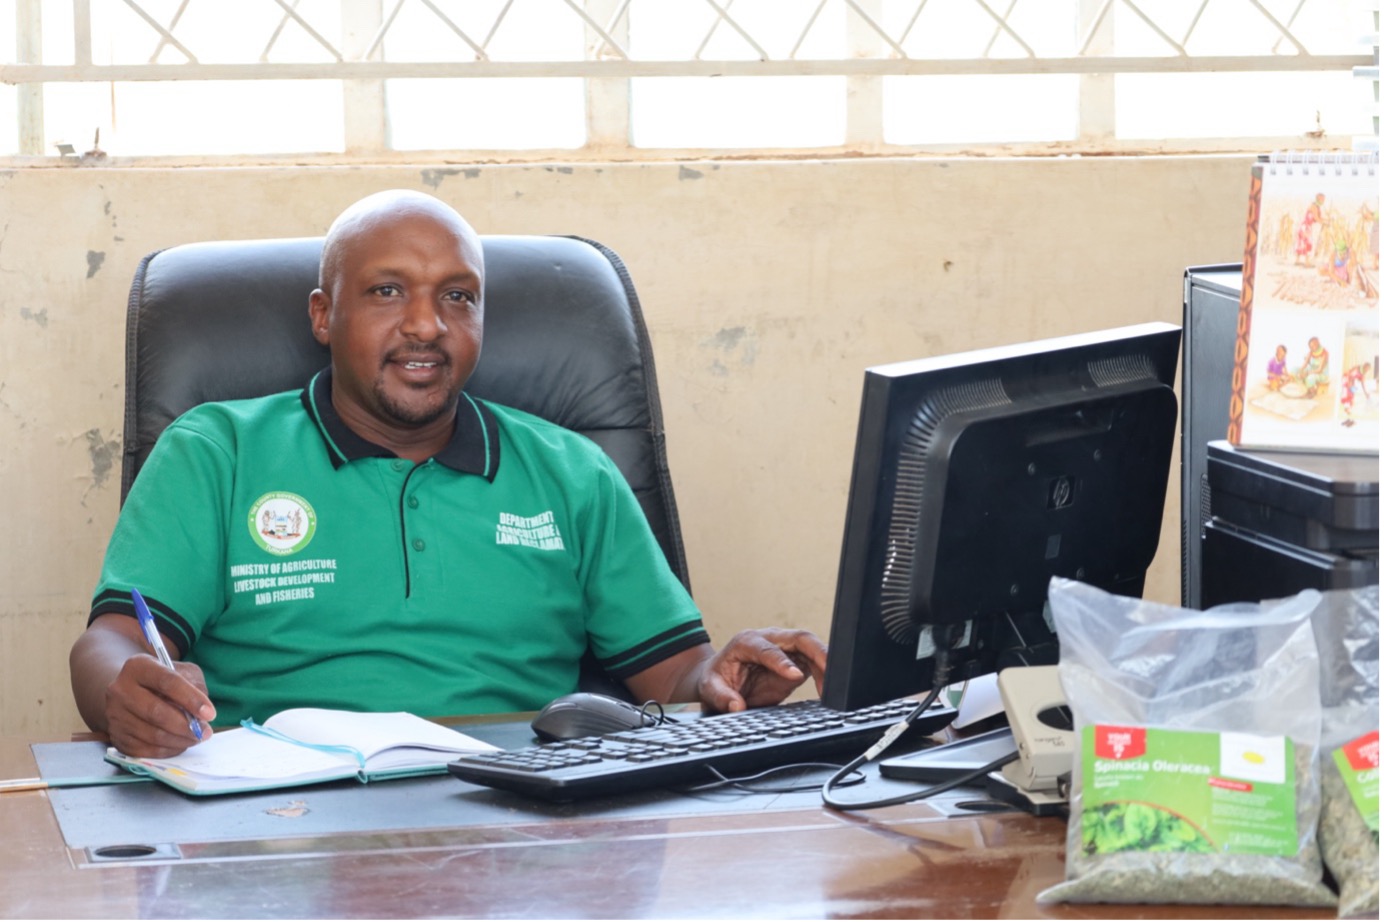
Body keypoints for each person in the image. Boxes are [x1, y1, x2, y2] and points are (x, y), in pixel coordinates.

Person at [71, 189, 827, 759]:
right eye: (387, 291)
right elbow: (109, 643)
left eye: (457, 297)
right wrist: (124, 692)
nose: (427, 325)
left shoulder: (570, 472)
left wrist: (726, 686)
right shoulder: (218, 451)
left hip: (527, 808)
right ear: (323, 315)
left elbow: (676, 674)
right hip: (281, 812)